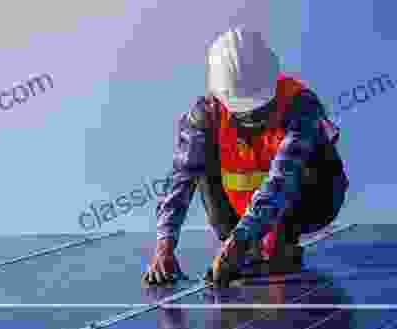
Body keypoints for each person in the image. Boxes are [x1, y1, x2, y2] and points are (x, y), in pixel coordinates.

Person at [142, 27, 349, 288]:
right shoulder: (206, 115)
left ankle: (279, 239)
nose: (253, 117)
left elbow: (281, 181)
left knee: (314, 153)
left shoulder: (300, 105)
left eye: (260, 107)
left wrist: (239, 242)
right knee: (197, 156)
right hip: (238, 210)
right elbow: (180, 180)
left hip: (308, 202)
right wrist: (165, 246)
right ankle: (250, 242)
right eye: (244, 110)